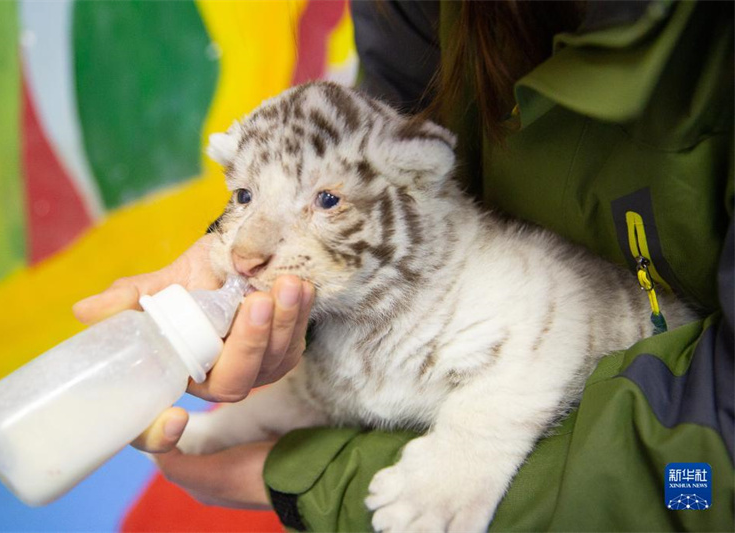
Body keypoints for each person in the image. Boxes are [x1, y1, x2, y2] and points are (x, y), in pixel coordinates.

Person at [74, 0, 733, 530]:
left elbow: (704, 477)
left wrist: (454, 456)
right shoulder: (418, 19)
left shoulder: (484, 290)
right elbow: (382, 116)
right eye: (242, 196)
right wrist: (221, 418)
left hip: (681, 436)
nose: (250, 250)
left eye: (324, 200)